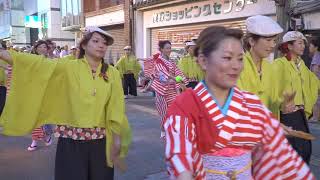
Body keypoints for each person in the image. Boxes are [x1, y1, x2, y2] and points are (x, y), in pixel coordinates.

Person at [163, 26, 314, 180]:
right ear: (203, 61)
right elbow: (180, 152)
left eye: (240, 59)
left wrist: (279, 120)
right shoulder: (185, 105)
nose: (236, 66)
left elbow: (277, 150)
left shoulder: (251, 102)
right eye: (227, 58)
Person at [0, 26, 131, 180]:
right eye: (95, 41)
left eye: (104, 43)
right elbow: (36, 64)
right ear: (83, 45)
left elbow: (116, 107)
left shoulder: (112, 73)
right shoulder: (68, 67)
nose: (101, 45)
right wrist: (4, 54)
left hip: (100, 140)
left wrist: (116, 139)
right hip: (71, 139)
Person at [275, 31, 319, 164]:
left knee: (305, 151)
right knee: (294, 153)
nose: (303, 46)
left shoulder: (302, 66)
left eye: (303, 43)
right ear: (289, 46)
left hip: (301, 114)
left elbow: (315, 83)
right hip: (287, 115)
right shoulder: (279, 64)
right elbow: (272, 88)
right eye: (299, 43)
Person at [238, 15, 287, 118]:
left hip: (267, 130)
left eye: (274, 41)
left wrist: (284, 104)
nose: (272, 45)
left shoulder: (270, 68)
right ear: (252, 41)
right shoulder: (238, 66)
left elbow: (273, 102)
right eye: (268, 40)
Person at [150, 40, 188, 136]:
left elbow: (178, 71)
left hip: (172, 89)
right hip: (162, 90)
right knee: (164, 111)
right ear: (161, 49)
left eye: (170, 48)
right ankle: (163, 129)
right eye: (167, 48)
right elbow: (162, 73)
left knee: (175, 109)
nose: (169, 50)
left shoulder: (171, 61)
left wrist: (182, 79)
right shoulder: (158, 61)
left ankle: (173, 129)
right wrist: (174, 78)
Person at [26, 40, 54, 151]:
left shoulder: (50, 61)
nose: (43, 49)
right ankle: (34, 140)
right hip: (33, 92)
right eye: (40, 47)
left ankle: (47, 135)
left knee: (44, 117)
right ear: (36, 48)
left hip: (47, 93)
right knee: (34, 117)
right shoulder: (30, 60)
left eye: (45, 47)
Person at [309, 37, 320, 122]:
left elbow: (315, 71)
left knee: (316, 100)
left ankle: (315, 117)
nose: (309, 48)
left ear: (316, 47)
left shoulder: (317, 56)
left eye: (311, 46)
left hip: (317, 83)